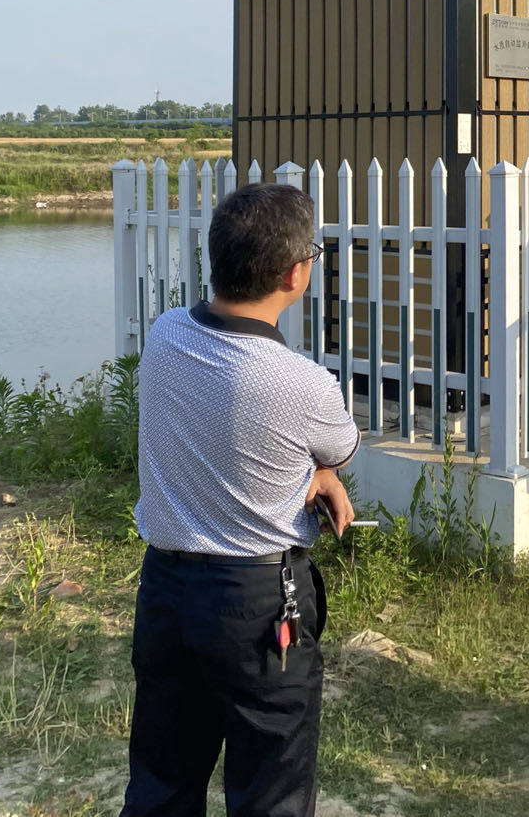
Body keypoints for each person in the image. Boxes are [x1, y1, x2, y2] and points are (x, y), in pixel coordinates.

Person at [122, 182, 360, 817]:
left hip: (166, 589)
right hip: (258, 603)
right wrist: (320, 474)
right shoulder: (302, 383)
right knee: (270, 786)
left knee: (161, 780)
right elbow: (337, 448)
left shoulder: (166, 334)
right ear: (295, 272)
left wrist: (310, 473)